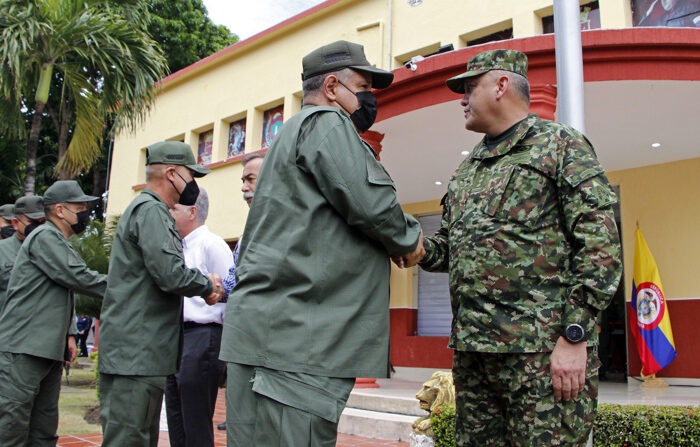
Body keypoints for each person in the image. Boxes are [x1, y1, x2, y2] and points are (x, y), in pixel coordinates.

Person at [219, 40, 425, 447]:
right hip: (297, 344)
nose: (367, 98)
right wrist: (410, 240)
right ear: (332, 86)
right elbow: (372, 205)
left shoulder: (288, 135)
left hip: (269, 336)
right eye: (362, 86)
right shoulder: (325, 123)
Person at [417, 49, 622, 446]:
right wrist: (415, 246)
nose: (461, 99)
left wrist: (574, 336)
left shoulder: (560, 146)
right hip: (476, 355)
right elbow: (452, 250)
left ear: (501, 85)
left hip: (541, 354)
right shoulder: (469, 168)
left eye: (468, 88)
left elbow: (600, 245)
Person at [98, 141, 225, 447]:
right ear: (171, 174)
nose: (193, 183)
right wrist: (208, 285)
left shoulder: (147, 210)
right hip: (136, 353)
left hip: (140, 352)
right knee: (129, 437)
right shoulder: (152, 211)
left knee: (139, 436)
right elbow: (170, 273)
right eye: (190, 175)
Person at [0, 181, 107, 446]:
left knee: (43, 430)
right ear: (60, 210)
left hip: (46, 349)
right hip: (24, 348)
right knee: (12, 429)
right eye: (79, 207)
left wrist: (69, 335)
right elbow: (79, 277)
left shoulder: (57, 240)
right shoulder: (45, 236)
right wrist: (132, 288)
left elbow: (63, 291)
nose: (85, 213)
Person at [165, 187, 234, 447]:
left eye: (174, 209)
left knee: (195, 420)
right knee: (176, 417)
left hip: (203, 336)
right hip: (178, 337)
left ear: (192, 212)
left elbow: (230, 291)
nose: (169, 213)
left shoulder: (211, 244)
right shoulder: (177, 247)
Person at [216, 152, 264, 433]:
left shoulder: (280, 225)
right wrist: (218, 289)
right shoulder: (250, 229)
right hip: (242, 337)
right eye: (242, 180)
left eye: (250, 179)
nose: (244, 187)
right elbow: (236, 280)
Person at [0, 195, 46, 307]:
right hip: (10, 321)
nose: (37, 227)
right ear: (16, 223)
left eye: (42, 222)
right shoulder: (3, 250)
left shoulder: (55, 248)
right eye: (32, 221)